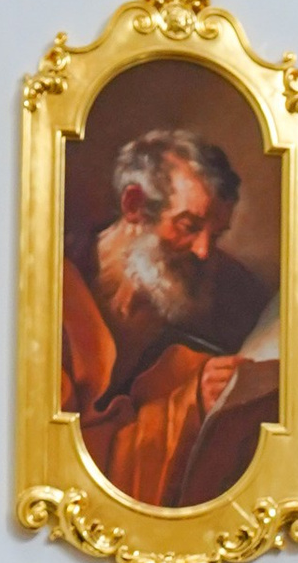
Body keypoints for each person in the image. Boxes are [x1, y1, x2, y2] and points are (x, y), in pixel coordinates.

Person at [62, 126, 279, 512]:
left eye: (217, 233)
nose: (203, 251)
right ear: (134, 206)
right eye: (189, 226)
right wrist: (191, 401)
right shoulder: (57, 290)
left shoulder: (225, 297)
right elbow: (64, 458)